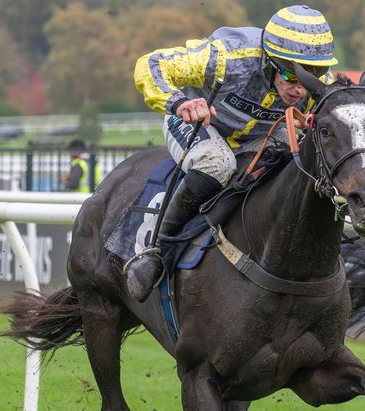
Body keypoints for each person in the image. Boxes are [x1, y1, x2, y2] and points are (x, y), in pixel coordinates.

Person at [124, 5, 338, 302]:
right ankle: (157, 250)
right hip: (198, 122)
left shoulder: (316, 86)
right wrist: (177, 103)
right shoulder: (227, 56)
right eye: (291, 74)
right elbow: (151, 64)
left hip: (258, 136)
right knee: (218, 163)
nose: (300, 88)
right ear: (269, 59)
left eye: (312, 75)